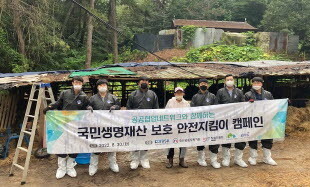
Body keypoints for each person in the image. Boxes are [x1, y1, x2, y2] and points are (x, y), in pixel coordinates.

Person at [43, 76, 89, 179]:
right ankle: (61, 168)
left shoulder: (84, 96)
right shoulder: (65, 93)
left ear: (82, 84)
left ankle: (70, 167)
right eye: (76, 82)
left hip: (76, 125)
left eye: (80, 83)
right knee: (61, 144)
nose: (77, 84)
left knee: (75, 145)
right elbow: (58, 103)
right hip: (63, 123)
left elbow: (86, 109)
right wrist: (50, 107)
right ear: (72, 83)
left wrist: (89, 108)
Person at [87, 79, 121, 175]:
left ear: (107, 86)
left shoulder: (113, 97)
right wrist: (88, 107)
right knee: (96, 147)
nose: (102, 86)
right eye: (100, 85)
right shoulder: (92, 98)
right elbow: (87, 106)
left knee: (111, 146)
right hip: (97, 126)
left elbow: (119, 106)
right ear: (97, 87)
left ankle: (113, 164)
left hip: (110, 127)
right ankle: (93, 166)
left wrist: (116, 107)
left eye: (104, 85)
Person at [126, 76, 159, 169]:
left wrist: (154, 121)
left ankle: (144, 159)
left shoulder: (152, 94)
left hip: (147, 123)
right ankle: (134, 160)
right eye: (142, 81)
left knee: (146, 140)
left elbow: (156, 109)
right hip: (135, 123)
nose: (144, 82)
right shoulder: (133, 94)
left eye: (146, 81)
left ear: (148, 83)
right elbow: (128, 108)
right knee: (135, 141)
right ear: (138, 83)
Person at [216, 74, 248, 168]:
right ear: (225, 81)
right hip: (225, 120)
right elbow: (217, 105)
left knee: (240, 138)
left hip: (237, 119)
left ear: (233, 80)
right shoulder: (220, 91)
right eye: (228, 79)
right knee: (226, 138)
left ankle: (238, 159)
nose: (229, 81)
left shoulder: (239, 91)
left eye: (231, 79)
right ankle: (226, 158)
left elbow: (243, 104)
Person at [245, 77, 277, 166]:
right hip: (253, 120)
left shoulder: (268, 94)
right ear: (252, 84)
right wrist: (248, 104)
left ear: (262, 84)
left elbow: (273, 105)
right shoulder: (248, 95)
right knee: (253, 139)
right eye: (254, 83)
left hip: (266, 120)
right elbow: (243, 108)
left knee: (267, 138)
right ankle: (253, 157)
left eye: (258, 82)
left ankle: (267, 158)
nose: (256, 84)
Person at [190, 78, 221, 169]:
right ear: (199, 85)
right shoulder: (195, 97)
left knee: (213, 141)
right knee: (200, 141)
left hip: (211, 123)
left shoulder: (212, 96)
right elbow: (192, 109)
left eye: (205, 83)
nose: (203, 85)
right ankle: (201, 159)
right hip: (200, 123)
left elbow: (216, 109)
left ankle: (213, 160)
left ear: (207, 85)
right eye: (202, 83)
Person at [165, 87, 190, 168]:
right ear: (174, 94)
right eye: (177, 92)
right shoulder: (170, 101)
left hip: (182, 127)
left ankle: (181, 160)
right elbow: (165, 113)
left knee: (183, 143)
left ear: (183, 93)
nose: (179, 94)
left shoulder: (186, 103)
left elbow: (189, 115)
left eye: (180, 92)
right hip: (171, 126)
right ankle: (170, 160)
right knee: (170, 144)